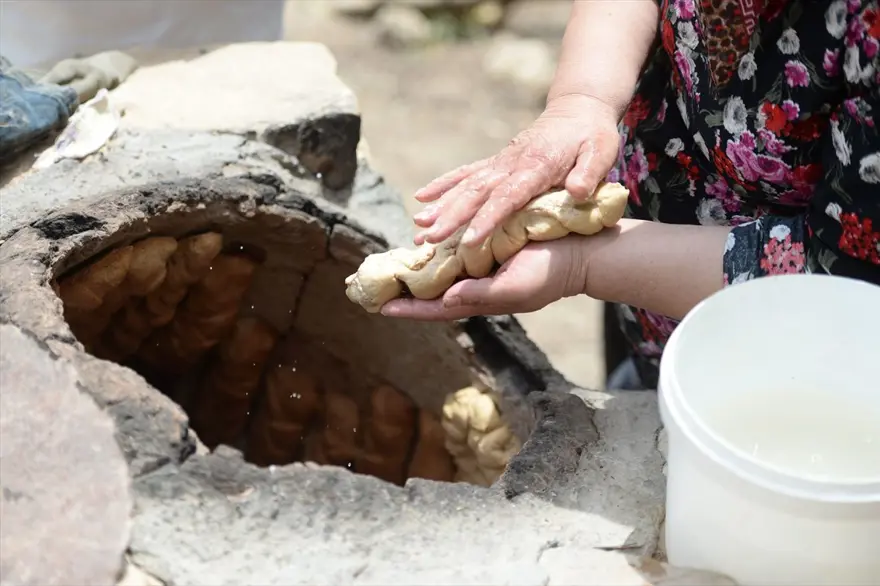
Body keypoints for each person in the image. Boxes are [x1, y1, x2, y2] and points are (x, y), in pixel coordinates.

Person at [380, 0, 880, 389]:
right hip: (641, 289)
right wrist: (582, 101)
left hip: (787, 364)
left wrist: (584, 266)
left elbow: (844, 275)